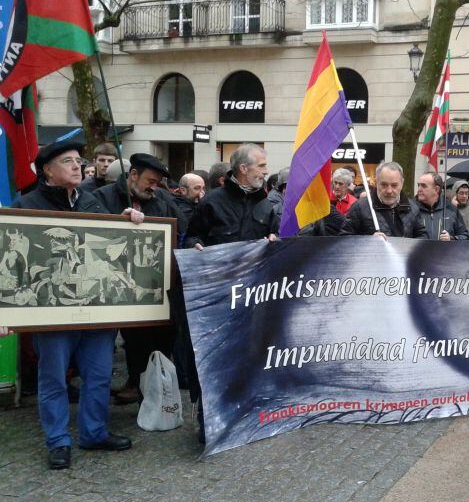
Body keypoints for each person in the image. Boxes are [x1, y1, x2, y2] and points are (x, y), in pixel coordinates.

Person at [11, 139, 135, 470]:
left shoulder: (92, 201)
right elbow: (13, 265)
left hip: (97, 309)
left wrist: (129, 221)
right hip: (52, 313)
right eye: (68, 161)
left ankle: (94, 433)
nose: (78, 166)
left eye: (79, 161)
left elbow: (111, 245)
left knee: (98, 375)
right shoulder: (25, 206)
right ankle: (58, 441)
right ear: (47, 171)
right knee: (53, 378)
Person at [183, 144, 278, 443]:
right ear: (242, 169)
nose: (265, 170)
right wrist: (193, 246)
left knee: (249, 356)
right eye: (260, 165)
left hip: (253, 297)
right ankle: (208, 418)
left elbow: (276, 239)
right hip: (217, 296)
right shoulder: (212, 202)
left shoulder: (268, 204)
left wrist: (275, 241)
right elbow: (192, 236)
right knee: (214, 359)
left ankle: (245, 414)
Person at [94, 154, 187, 405]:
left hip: (156, 284)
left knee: (160, 337)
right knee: (133, 338)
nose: (153, 187)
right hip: (118, 284)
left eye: (157, 183)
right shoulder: (102, 197)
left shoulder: (163, 201)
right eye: (150, 181)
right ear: (133, 175)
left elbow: (183, 228)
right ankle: (135, 381)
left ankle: (155, 385)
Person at [340, 162, 427, 239]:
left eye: (394, 185)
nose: (389, 191)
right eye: (384, 185)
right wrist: (368, 241)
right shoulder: (360, 207)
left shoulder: (412, 208)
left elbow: (423, 237)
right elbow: (344, 238)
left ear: (402, 183)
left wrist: (408, 246)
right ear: (376, 182)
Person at [413, 173, 468, 241]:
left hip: (445, 251)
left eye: (424, 186)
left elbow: (465, 236)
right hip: (419, 251)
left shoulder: (450, 209)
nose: (419, 189)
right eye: (418, 185)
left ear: (436, 189)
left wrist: (451, 238)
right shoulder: (411, 209)